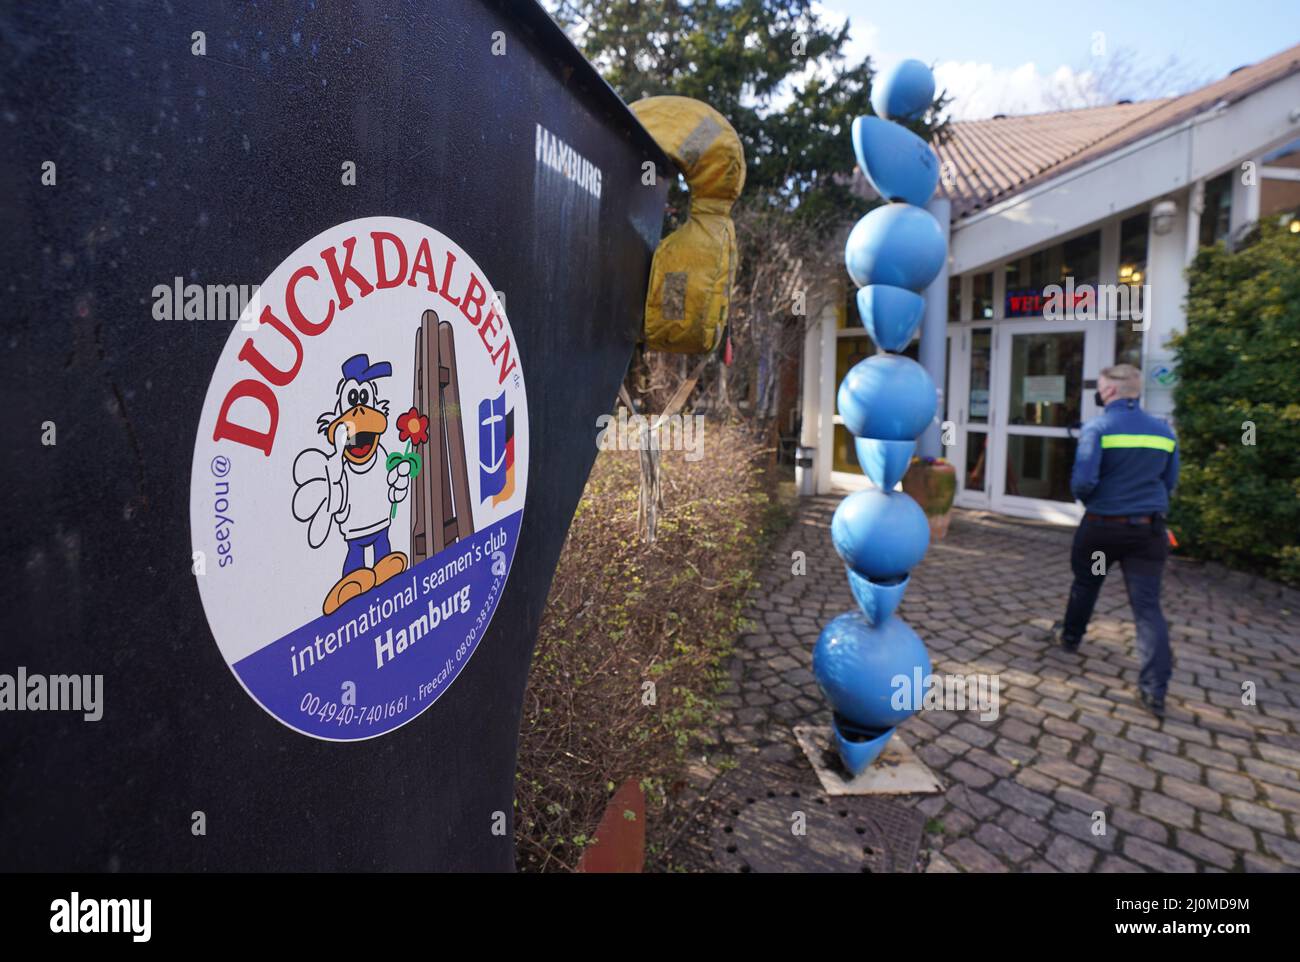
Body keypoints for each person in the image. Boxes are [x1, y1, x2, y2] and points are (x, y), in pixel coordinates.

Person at [1050, 364, 1179, 718]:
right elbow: (1169, 481)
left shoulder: (1099, 427)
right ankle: (1154, 691)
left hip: (1103, 528)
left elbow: (1083, 481)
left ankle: (1071, 637)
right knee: (1147, 608)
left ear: (1108, 393)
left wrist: (1097, 502)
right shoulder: (1164, 431)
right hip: (1148, 532)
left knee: (1087, 583)